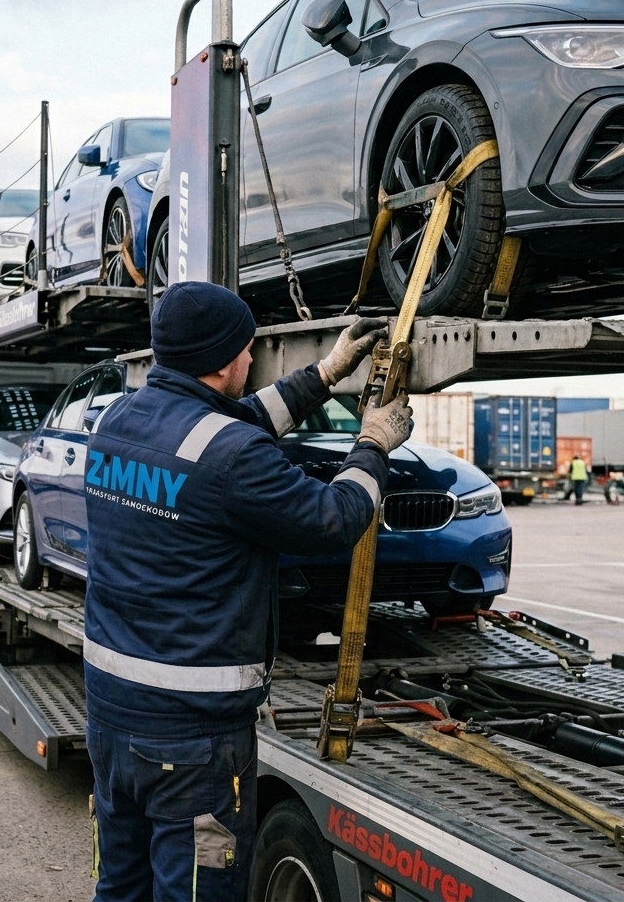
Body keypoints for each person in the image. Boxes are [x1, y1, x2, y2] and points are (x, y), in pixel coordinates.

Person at [83, 282, 412, 902]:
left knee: (120, 886)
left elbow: (232, 427)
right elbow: (332, 519)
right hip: (193, 737)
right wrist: (372, 445)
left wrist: (323, 374)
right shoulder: (229, 454)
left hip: (111, 715)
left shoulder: (118, 422)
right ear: (225, 358)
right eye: (246, 349)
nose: (252, 360)